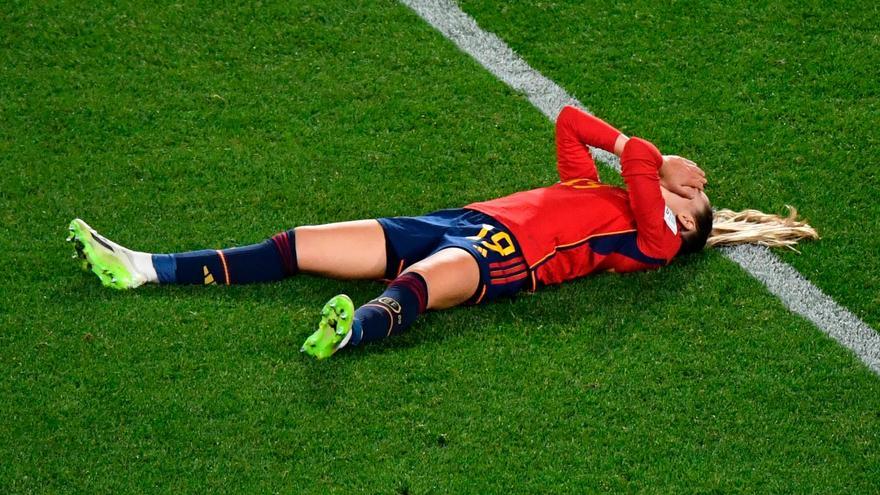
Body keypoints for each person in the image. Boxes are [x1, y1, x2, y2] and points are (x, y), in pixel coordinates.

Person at [67, 106, 816, 359]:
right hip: (461, 220)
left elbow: (647, 165)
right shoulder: (595, 187)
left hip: (506, 258)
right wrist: (633, 158)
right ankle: (142, 267)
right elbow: (567, 121)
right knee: (297, 243)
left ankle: (348, 334)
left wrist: (663, 167)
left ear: (681, 228)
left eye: (686, 204)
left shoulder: (651, 243)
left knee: (416, 287)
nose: (675, 196)